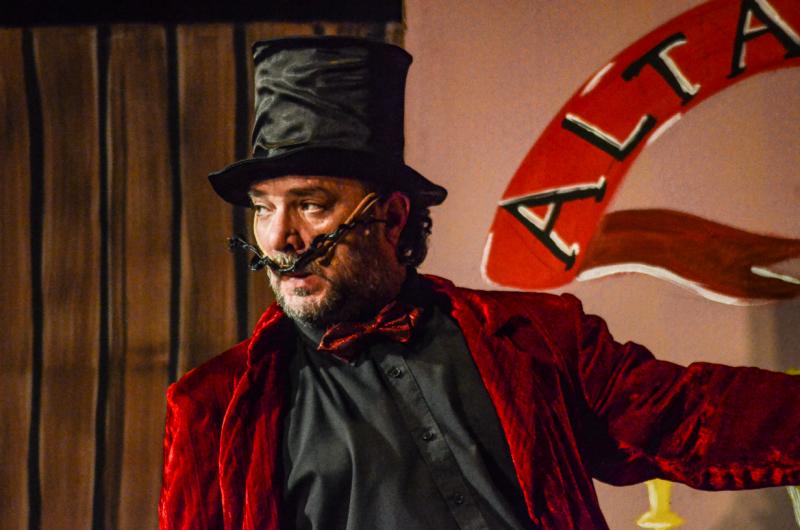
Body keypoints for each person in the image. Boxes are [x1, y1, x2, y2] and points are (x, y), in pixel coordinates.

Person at [159, 36, 800, 530]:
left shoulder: (536, 338)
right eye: (263, 209)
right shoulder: (214, 408)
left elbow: (689, 417)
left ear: (392, 217)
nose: (279, 237)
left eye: (311, 204)